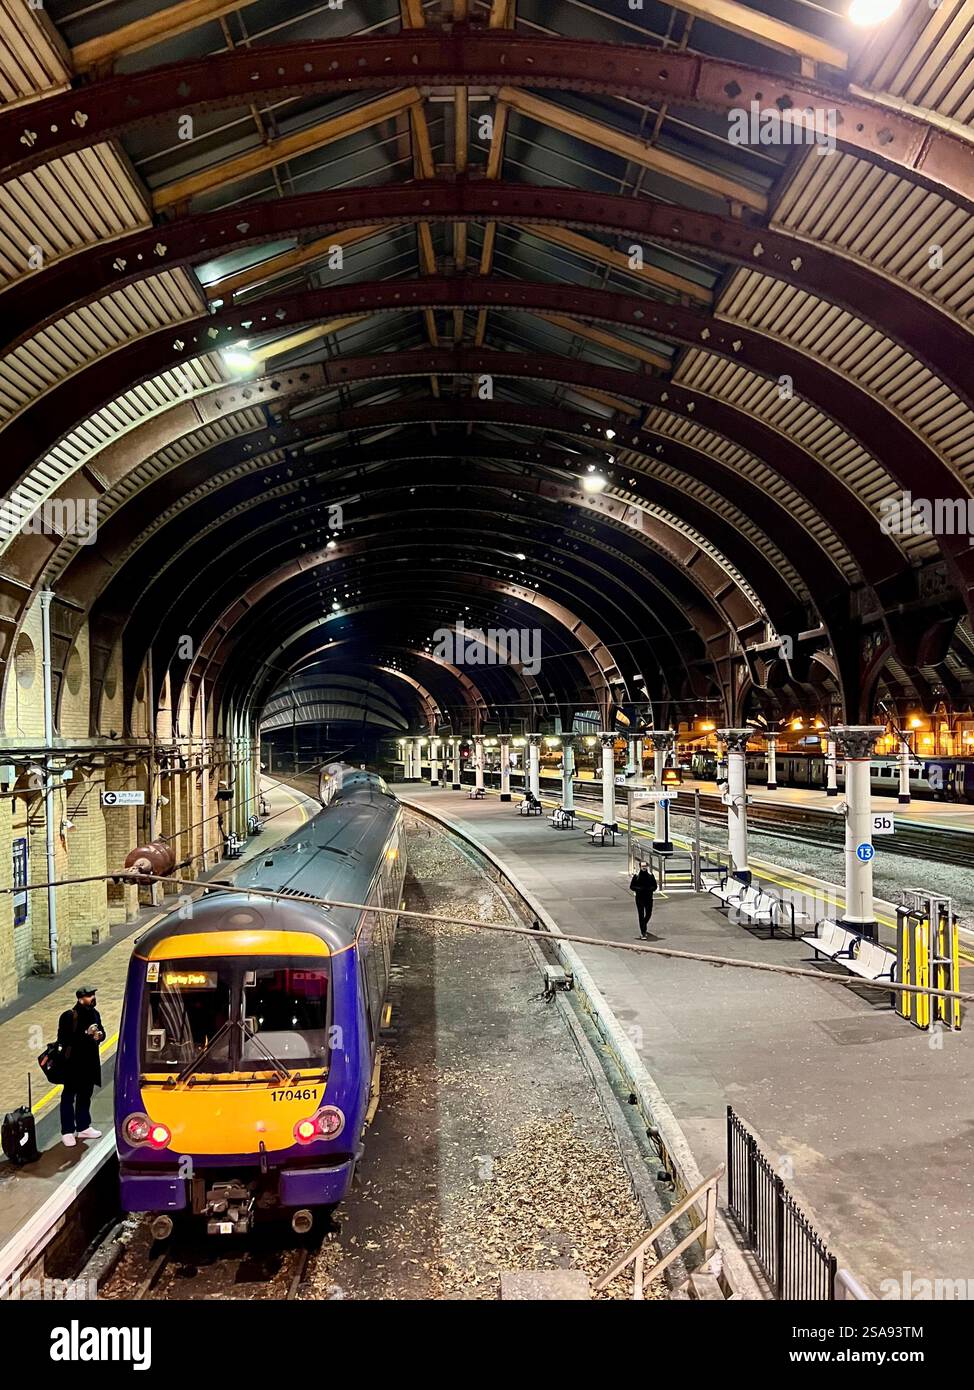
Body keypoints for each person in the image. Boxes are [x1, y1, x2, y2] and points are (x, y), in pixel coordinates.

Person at [57, 986, 105, 1147]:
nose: (93, 998)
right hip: (73, 1065)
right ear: (80, 998)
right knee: (68, 1097)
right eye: (89, 996)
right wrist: (86, 1034)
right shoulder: (69, 1016)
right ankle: (67, 1131)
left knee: (85, 1096)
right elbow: (64, 1039)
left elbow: (102, 1032)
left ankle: (83, 1126)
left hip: (90, 1064)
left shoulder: (95, 1014)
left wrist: (99, 1036)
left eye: (93, 995)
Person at [629, 861, 658, 939]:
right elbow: (631, 886)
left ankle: (643, 924)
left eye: (645, 866)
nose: (644, 867)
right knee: (641, 914)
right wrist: (639, 889)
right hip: (639, 898)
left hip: (648, 897)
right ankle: (643, 932)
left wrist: (649, 889)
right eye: (642, 866)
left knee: (649, 913)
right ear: (640, 867)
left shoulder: (650, 876)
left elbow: (655, 886)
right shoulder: (636, 876)